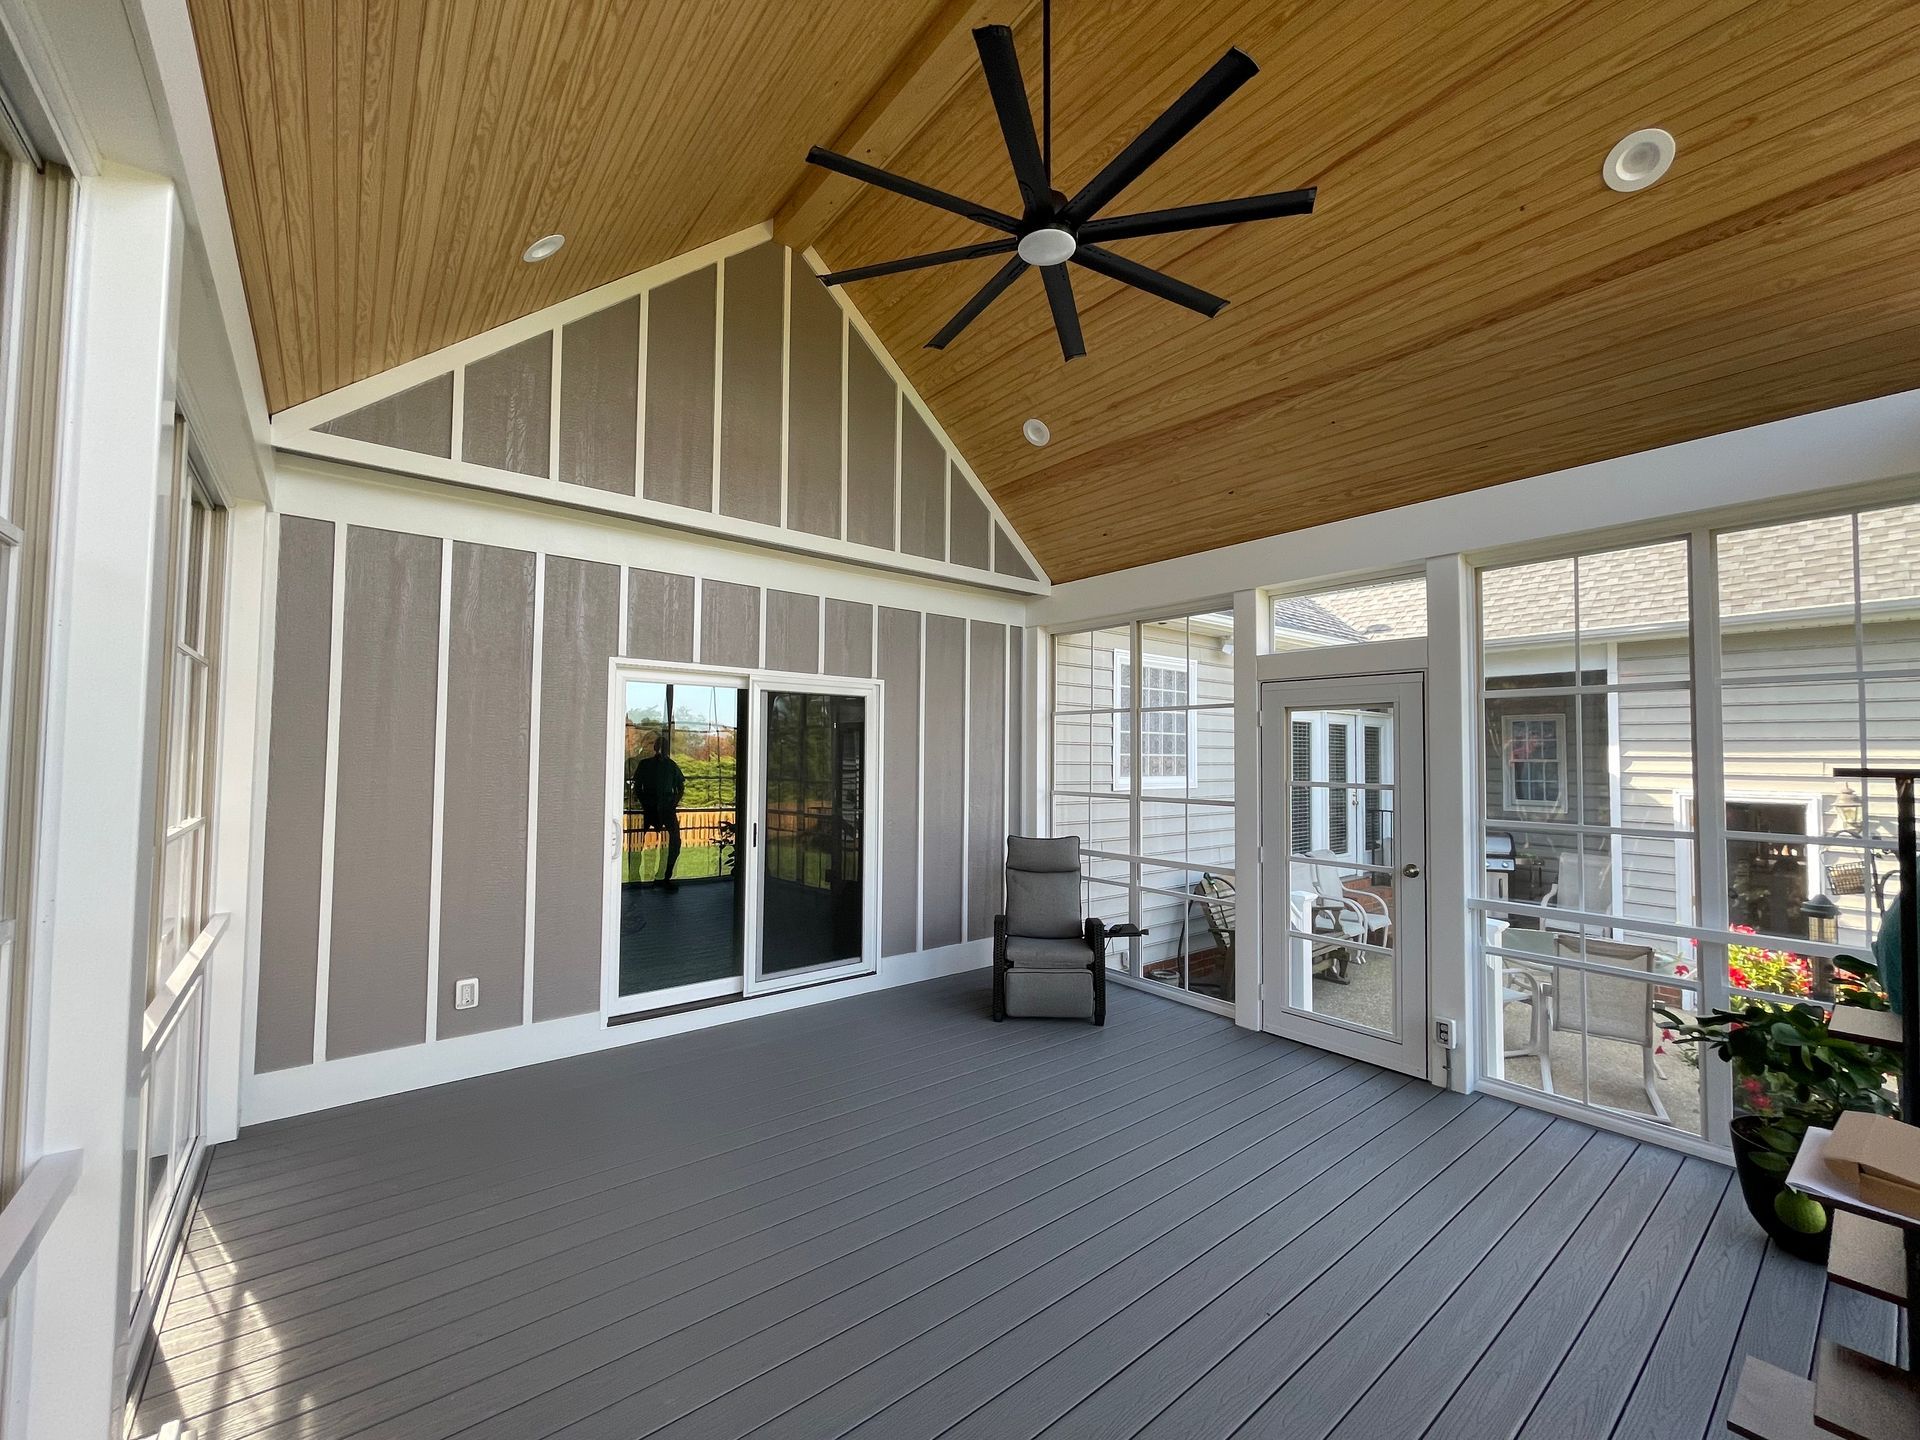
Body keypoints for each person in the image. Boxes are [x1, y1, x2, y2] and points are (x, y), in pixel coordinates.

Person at [632, 732, 686, 890]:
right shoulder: (646, 765)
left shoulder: (671, 766)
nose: (661, 752)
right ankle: (636, 877)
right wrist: (646, 804)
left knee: (674, 842)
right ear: (656, 748)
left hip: (665, 809)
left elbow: (680, 788)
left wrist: (671, 805)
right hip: (652, 808)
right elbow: (637, 788)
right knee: (637, 844)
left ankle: (664, 876)